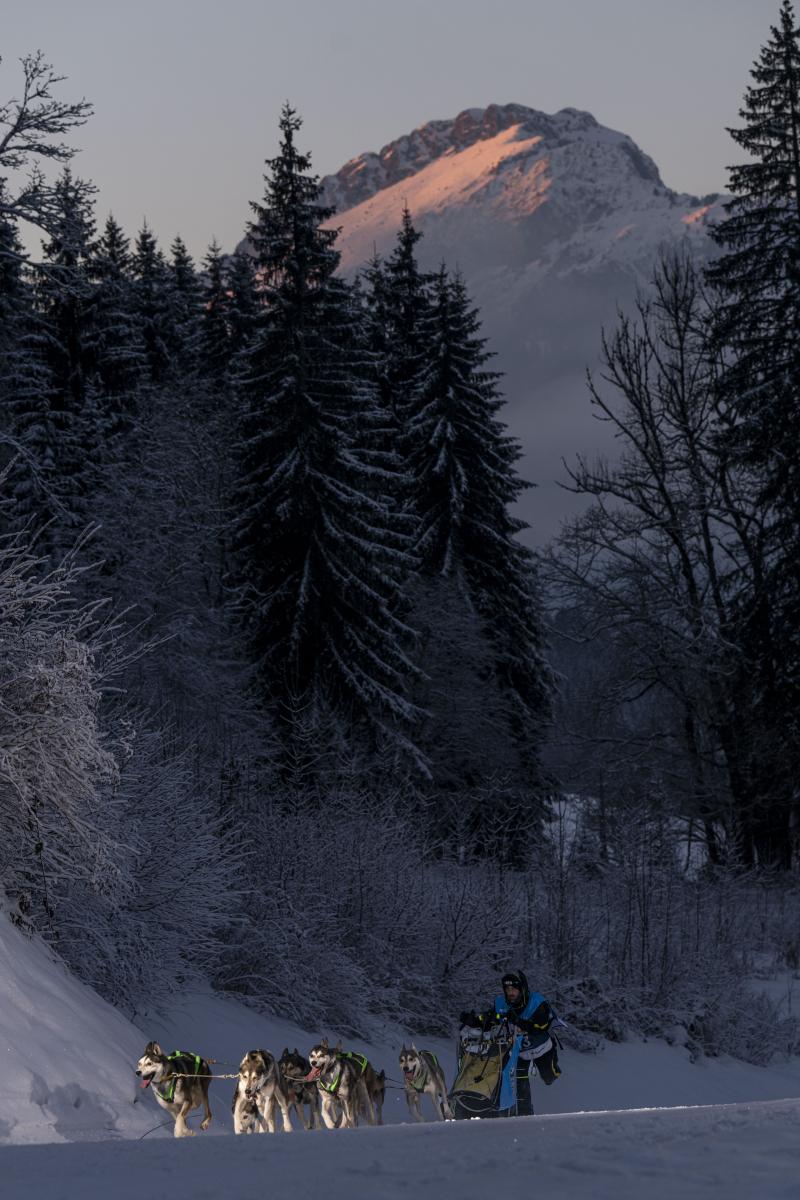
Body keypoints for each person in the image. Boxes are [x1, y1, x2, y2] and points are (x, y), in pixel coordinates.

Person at [459, 969, 560, 1116]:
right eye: (507, 989)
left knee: (549, 1077)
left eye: (514, 989)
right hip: (517, 1047)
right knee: (518, 1075)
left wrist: (519, 1021)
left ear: (522, 989)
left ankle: (550, 1068)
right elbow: (490, 1019)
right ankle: (523, 1114)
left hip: (540, 1044)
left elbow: (541, 1027)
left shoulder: (537, 1002)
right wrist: (474, 1020)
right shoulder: (501, 1003)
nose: (510, 992)